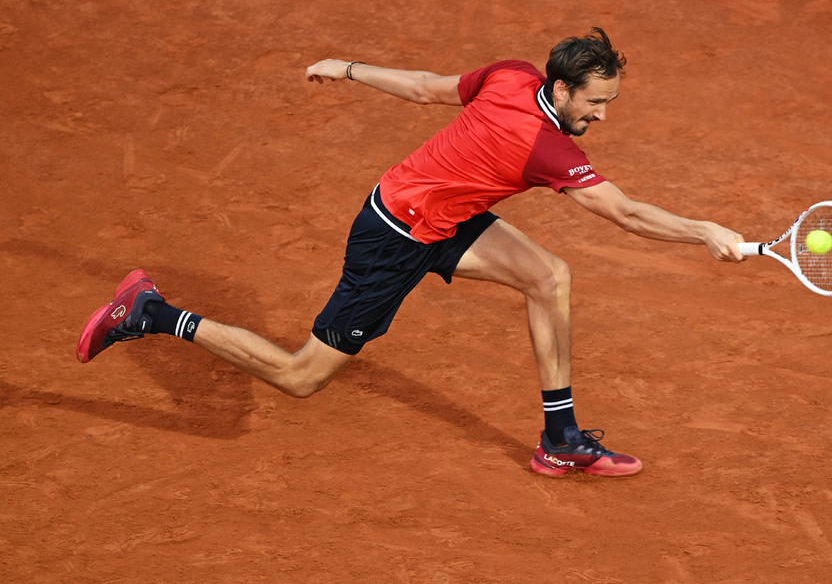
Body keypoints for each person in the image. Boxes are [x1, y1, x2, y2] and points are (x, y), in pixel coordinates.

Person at [77, 28, 746, 478]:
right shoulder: (548, 148)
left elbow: (429, 85)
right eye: (597, 104)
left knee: (548, 276)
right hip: (393, 240)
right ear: (566, 89)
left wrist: (346, 66)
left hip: (441, 215)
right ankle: (153, 313)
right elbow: (624, 212)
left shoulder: (513, 74)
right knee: (300, 376)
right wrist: (705, 229)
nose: (602, 116)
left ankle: (560, 437)